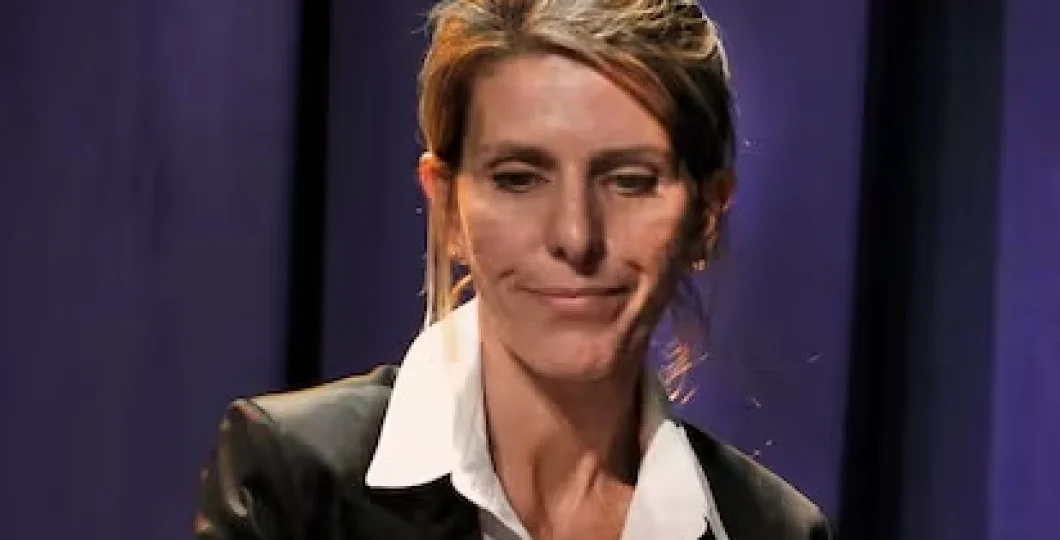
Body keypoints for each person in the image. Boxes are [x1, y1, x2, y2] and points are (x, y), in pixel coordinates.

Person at [194, 0, 832, 538]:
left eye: (630, 181)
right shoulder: (297, 484)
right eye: (519, 178)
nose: (575, 236)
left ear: (707, 215)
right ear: (447, 207)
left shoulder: (772, 530)